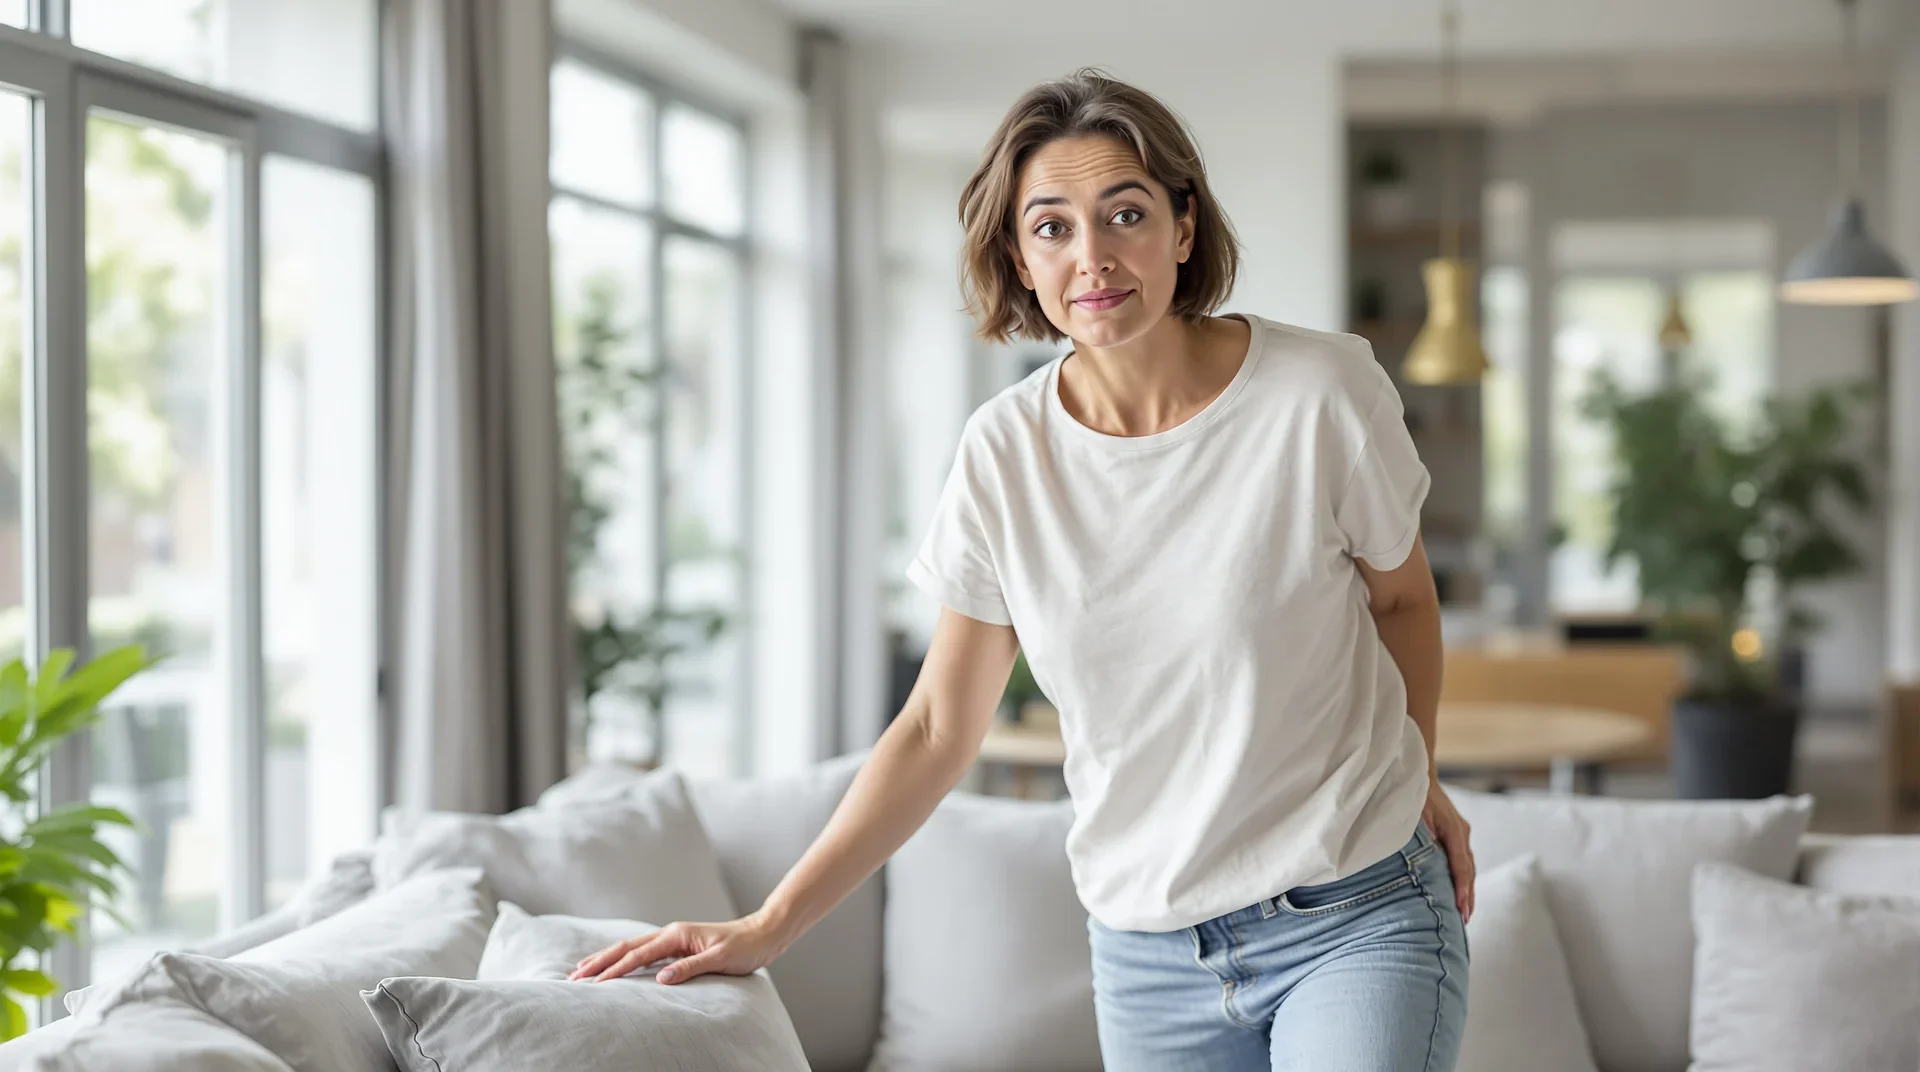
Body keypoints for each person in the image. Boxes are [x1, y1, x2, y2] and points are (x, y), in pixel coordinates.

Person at [572, 68, 1474, 1071]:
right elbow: (936, 724)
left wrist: (1416, 766)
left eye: (1125, 213)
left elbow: (1400, 600)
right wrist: (771, 922)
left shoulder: (1321, 392)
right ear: (1018, 254)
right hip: (1149, 959)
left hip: (1353, 916)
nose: (1093, 257)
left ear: (1183, 226)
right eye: (1052, 227)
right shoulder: (1004, 455)